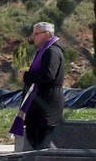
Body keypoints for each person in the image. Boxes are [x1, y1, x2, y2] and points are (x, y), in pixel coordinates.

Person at [11, 21, 64, 150]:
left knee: (42, 142)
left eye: (36, 34)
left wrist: (26, 76)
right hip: (39, 103)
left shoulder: (52, 51)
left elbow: (48, 75)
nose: (33, 37)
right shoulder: (44, 51)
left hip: (47, 104)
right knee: (34, 139)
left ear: (47, 34)